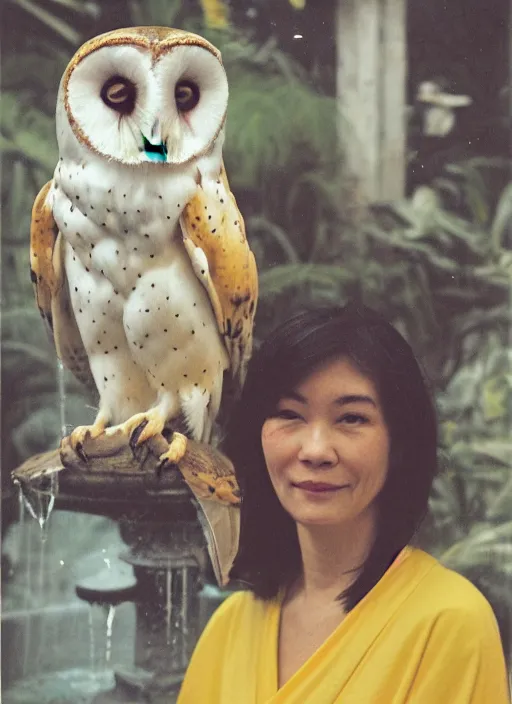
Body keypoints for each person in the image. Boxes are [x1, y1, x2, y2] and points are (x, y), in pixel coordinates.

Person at [178, 303, 511, 703]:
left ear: (400, 442)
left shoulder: (449, 624)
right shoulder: (229, 628)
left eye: (351, 418)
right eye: (290, 414)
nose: (316, 450)